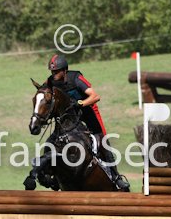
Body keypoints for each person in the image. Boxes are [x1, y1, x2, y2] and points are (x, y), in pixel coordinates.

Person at [45, 54, 130, 190]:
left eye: (56, 71)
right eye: (52, 72)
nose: (53, 75)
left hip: (87, 111)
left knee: (102, 140)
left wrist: (80, 103)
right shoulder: (51, 81)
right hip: (69, 117)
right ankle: (53, 176)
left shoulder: (76, 78)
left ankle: (116, 177)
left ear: (64, 70)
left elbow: (95, 96)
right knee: (52, 140)